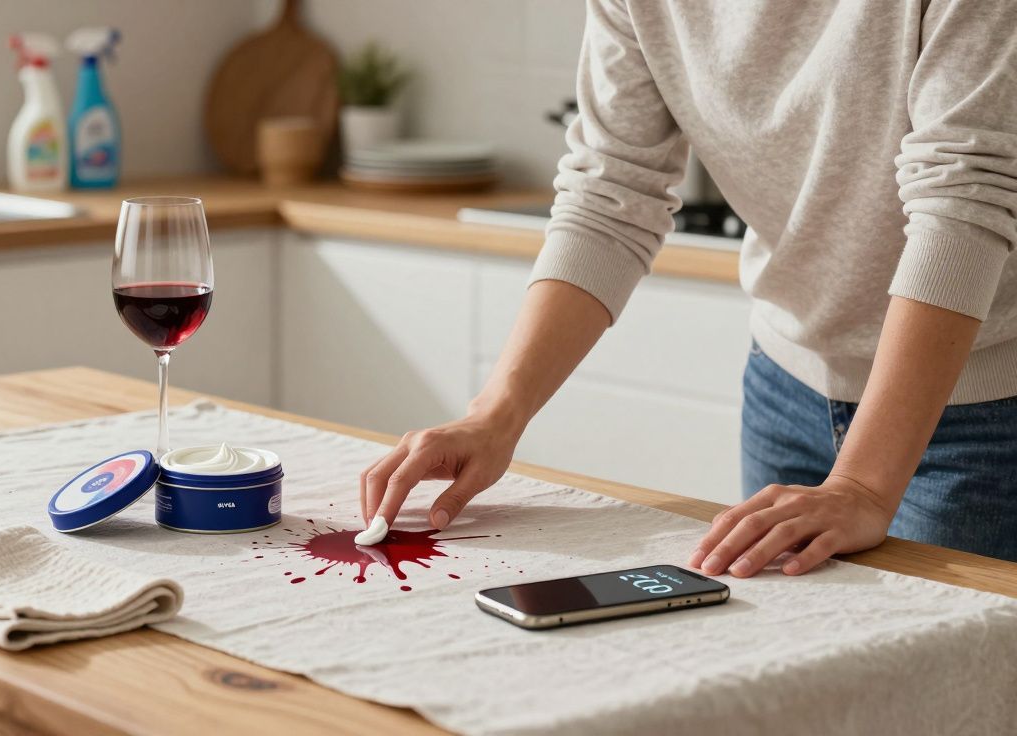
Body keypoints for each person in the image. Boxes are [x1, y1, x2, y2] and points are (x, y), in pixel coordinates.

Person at [359, 0, 1017, 574]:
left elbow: (963, 204)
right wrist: (494, 416)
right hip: (786, 384)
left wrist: (866, 485)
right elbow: (611, 191)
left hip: (981, 409)